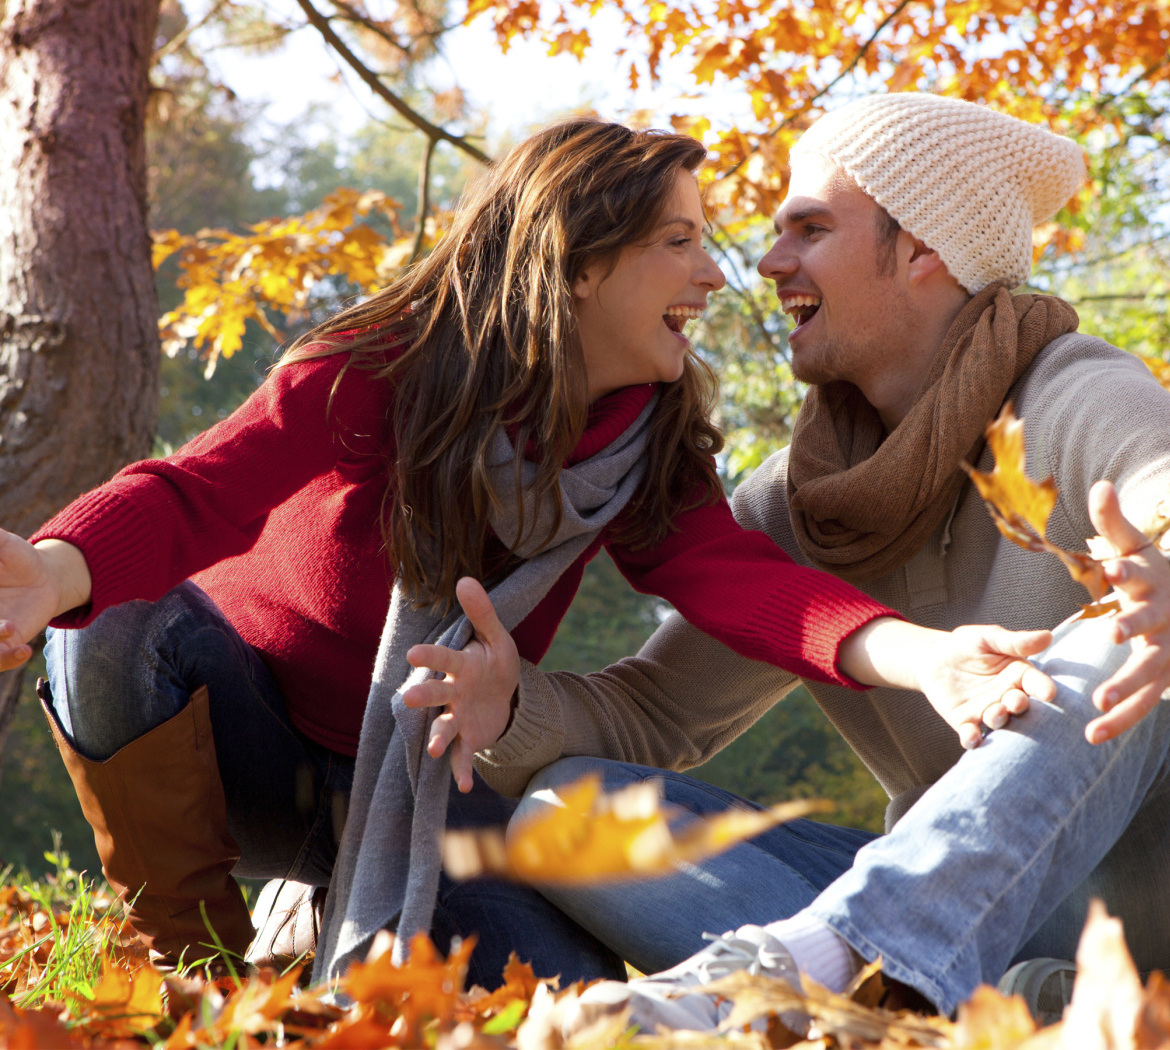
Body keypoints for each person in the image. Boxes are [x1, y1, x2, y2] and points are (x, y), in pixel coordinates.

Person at [0, 117, 1059, 985]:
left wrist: (926, 658)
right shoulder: (380, 369)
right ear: (581, 259)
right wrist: (52, 572)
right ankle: (196, 970)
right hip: (245, 740)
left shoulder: (643, 448)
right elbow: (199, 492)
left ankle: (328, 920)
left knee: (552, 987)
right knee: (109, 625)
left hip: (423, 783)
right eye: (679, 242)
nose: (715, 278)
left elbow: (745, 587)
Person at [424, 95, 1170, 1023]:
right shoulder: (800, 501)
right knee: (572, 812)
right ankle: (960, 1007)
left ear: (926, 250)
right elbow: (656, 713)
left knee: (1116, 637)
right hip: (971, 923)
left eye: (810, 230)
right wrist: (511, 709)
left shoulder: (1075, 395)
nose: (767, 266)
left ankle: (832, 972)